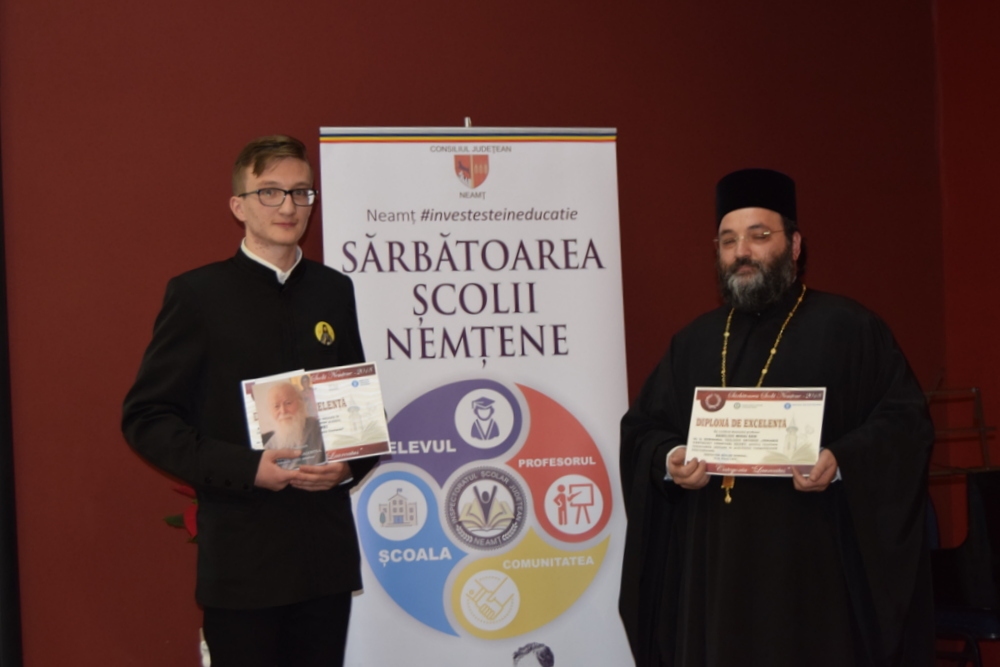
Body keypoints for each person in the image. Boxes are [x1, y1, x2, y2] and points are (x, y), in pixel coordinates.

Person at [619, 168, 933, 667]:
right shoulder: (694, 342)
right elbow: (643, 430)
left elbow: (905, 422)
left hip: (811, 570)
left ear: (795, 245)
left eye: (759, 235)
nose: (741, 251)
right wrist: (671, 458)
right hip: (715, 571)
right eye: (728, 241)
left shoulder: (849, 329)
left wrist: (841, 460)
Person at [123, 135, 377, 667]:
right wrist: (248, 468)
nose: (288, 206)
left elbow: (357, 410)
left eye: (301, 192)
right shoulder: (197, 295)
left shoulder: (334, 290)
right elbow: (147, 418)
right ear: (238, 206)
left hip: (325, 561)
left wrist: (349, 466)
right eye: (270, 192)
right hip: (244, 564)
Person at [260, 381, 325, 469]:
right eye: (276, 406)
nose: (283, 411)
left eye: (288, 403)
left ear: (300, 403)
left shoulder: (320, 427)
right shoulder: (268, 447)